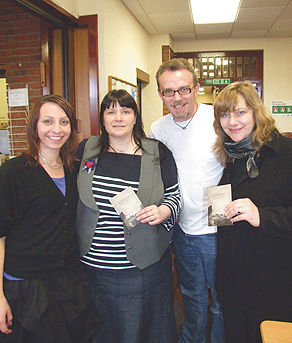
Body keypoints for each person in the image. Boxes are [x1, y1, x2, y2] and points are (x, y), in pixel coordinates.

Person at [76, 89, 181, 343]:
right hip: (92, 265)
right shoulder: (86, 150)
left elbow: (175, 197)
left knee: (139, 332)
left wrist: (162, 211)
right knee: (98, 331)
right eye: (110, 111)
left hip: (141, 269)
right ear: (102, 118)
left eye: (125, 111)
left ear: (136, 117)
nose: (118, 117)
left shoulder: (158, 153)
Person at [0, 95, 99, 343]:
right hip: (27, 285)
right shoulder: (14, 173)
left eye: (63, 122)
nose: (56, 129)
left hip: (67, 280)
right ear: (35, 126)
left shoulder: (73, 169)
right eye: (47, 121)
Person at [149, 58, 225, 343]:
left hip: (217, 229)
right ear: (160, 94)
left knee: (220, 298)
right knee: (191, 296)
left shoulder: (218, 118)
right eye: (169, 91)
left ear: (196, 88)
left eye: (183, 89)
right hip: (180, 230)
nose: (177, 98)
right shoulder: (157, 129)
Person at [213, 80, 292, 343]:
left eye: (240, 112)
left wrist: (262, 216)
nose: (232, 121)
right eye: (224, 114)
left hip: (273, 281)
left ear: (256, 112)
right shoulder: (231, 154)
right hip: (235, 279)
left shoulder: (285, 154)